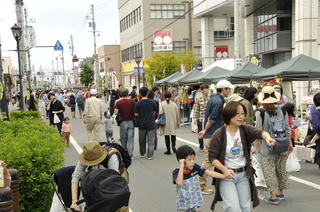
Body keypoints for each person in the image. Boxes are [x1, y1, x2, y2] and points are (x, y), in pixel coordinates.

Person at [208, 101, 277, 211]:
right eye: (237, 113)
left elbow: (259, 132)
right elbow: (212, 158)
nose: (241, 116)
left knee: (245, 208)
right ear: (228, 114)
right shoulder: (219, 134)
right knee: (233, 208)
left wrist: (267, 137)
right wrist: (225, 170)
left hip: (244, 175)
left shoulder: (244, 129)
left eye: (242, 113)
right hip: (227, 177)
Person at [252, 86, 293, 205]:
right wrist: (289, 143)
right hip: (282, 143)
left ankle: (273, 196)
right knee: (280, 169)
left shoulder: (260, 112)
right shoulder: (283, 110)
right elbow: (287, 129)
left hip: (267, 145)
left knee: (269, 171)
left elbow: (258, 131)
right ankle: (281, 193)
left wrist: (255, 146)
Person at [197, 80, 233, 195]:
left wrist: (204, 131)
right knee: (209, 160)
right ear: (224, 89)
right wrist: (205, 131)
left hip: (212, 134)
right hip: (213, 135)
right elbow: (212, 119)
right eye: (229, 89)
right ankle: (201, 185)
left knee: (216, 159)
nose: (229, 91)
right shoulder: (218, 102)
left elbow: (207, 117)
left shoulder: (213, 99)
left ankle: (219, 182)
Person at [70, 141, 128, 212]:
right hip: (96, 179)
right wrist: (74, 201)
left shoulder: (111, 157)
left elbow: (113, 184)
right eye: (89, 162)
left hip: (115, 180)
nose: (92, 164)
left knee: (119, 205)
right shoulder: (86, 156)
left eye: (94, 161)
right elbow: (76, 176)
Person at [173, 145, 228, 212]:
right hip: (183, 205)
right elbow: (179, 182)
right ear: (181, 160)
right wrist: (181, 166)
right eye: (189, 159)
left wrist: (224, 176)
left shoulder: (195, 167)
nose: (192, 161)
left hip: (195, 203)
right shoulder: (176, 171)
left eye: (193, 159)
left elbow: (209, 172)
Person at [134, 87, 157, 160]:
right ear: (147, 93)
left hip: (142, 123)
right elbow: (154, 112)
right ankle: (150, 155)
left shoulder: (138, 103)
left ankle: (142, 153)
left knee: (142, 140)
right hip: (151, 123)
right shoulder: (152, 102)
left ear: (140, 94)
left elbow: (136, 114)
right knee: (151, 140)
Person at [114, 88, 135, 159]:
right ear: (128, 93)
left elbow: (115, 112)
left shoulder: (118, 102)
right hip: (131, 121)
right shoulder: (132, 102)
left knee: (123, 139)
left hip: (122, 122)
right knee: (131, 139)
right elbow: (135, 112)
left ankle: (124, 154)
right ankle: (130, 155)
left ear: (121, 94)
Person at [193, 84, 210, 153]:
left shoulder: (210, 98)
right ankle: (201, 146)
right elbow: (196, 109)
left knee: (208, 132)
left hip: (208, 119)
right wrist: (195, 118)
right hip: (200, 118)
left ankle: (208, 146)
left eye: (207, 89)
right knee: (200, 132)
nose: (207, 90)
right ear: (202, 90)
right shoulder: (198, 98)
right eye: (205, 89)